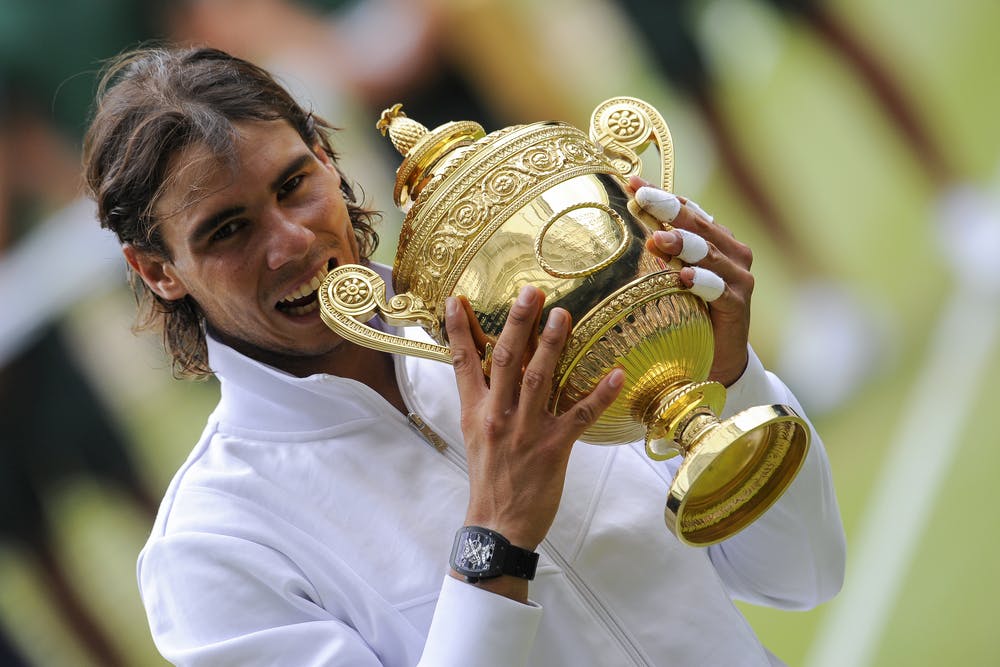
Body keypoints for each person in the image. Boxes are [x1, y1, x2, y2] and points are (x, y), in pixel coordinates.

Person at [83, 45, 845, 666]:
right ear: (155, 271)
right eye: (226, 230)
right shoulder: (211, 549)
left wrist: (730, 377)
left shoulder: (531, 321)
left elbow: (804, 575)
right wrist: (497, 537)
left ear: (327, 157)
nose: (289, 242)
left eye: (294, 185)